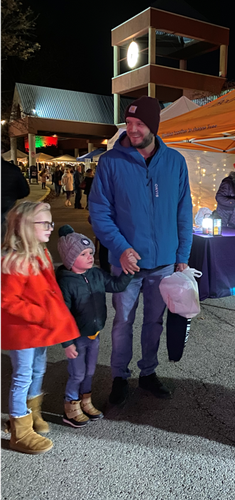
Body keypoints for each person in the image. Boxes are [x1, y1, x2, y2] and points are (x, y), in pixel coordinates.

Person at [89, 95, 193, 406]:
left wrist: (182, 257)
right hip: (126, 265)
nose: (132, 129)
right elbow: (99, 212)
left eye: (139, 124)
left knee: (154, 322)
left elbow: (183, 212)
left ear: (153, 126)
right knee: (122, 321)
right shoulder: (110, 162)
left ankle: (148, 372)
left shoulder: (175, 162)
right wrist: (121, 248)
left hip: (164, 264)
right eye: (129, 122)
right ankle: (119, 376)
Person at [1, 202, 80, 454]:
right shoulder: (13, 261)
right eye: (45, 223)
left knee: (38, 369)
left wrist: (55, 319)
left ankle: (32, 412)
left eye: (51, 223)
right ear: (26, 226)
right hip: (23, 331)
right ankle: (19, 429)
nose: (51, 227)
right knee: (23, 375)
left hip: (40, 330)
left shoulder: (42, 253)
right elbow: (7, 301)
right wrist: (42, 315)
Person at [56, 225, 133, 427]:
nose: (90, 257)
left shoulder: (96, 274)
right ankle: (70, 407)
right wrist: (67, 343)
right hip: (76, 338)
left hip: (94, 335)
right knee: (77, 373)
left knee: (90, 371)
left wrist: (128, 272)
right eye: (83, 254)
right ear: (70, 259)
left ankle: (86, 401)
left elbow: (116, 285)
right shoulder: (66, 282)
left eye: (90, 252)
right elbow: (62, 315)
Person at [1, 158, 30, 240]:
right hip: (7, 206)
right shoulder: (13, 169)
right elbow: (25, 191)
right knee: (6, 233)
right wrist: (13, 195)